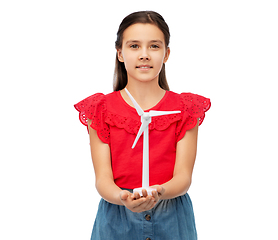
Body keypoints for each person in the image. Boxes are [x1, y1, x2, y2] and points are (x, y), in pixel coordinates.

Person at [74, 11, 211, 240]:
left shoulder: (184, 108)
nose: (144, 55)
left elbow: (183, 176)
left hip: (171, 217)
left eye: (154, 46)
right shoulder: (101, 109)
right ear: (120, 53)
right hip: (117, 217)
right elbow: (103, 179)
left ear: (166, 54)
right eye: (134, 46)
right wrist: (123, 198)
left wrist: (159, 191)